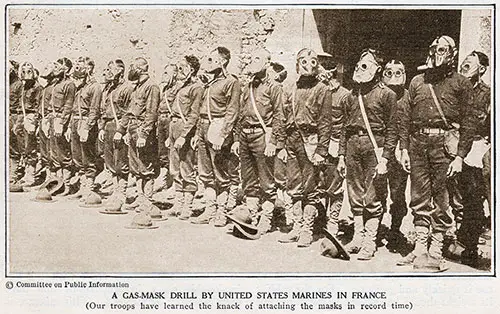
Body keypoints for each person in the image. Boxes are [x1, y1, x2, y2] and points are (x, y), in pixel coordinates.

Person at [398, 36, 479, 271]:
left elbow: (469, 123)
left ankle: (436, 250)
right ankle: (419, 249)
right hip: (418, 143)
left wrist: (461, 156)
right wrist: (404, 149)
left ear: (452, 54)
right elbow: (405, 118)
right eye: (434, 49)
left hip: (445, 146)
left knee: (441, 199)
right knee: (418, 196)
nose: (437, 53)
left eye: (443, 49)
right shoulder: (417, 82)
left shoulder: (461, 83)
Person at [337, 49, 398, 260]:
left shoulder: (387, 95)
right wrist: (341, 155)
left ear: (377, 69)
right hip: (353, 144)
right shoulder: (351, 95)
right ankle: (357, 236)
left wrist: (386, 158)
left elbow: (392, 129)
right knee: (354, 193)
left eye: (366, 65)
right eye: (358, 64)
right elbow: (344, 127)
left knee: (372, 195)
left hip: (375, 147)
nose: (359, 68)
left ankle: (370, 241)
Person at [278, 48, 332, 248]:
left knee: (311, 188)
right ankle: (296, 226)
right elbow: (283, 117)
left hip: (311, 141)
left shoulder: (322, 89)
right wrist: (281, 144)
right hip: (292, 140)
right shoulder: (291, 87)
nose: (307, 65)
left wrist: (321, 150)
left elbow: (326, 123)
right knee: (293, 184)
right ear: (297, 64)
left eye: (311, 62)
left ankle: (307, 230)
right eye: (303, 61)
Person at [233, 48, 285, 235]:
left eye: (257, 58)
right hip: (245, 135)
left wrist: (273, 142)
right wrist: (237, 139)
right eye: (251, 58)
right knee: (247, 179)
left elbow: (279, 116)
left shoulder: (274, 87)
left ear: (267, 63)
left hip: (263, 136)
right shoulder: (248, 86)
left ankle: (266, 217)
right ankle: (252, 215)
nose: (252, 61)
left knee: (266, 180)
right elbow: (241, 114)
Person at [191, 47, 241, 227]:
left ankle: (222, 211)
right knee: (205, 173)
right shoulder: (209, 83)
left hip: (218, 129)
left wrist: (223, 135)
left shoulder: (231, 82)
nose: (207, 63)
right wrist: (197, 134)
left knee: (221, 173)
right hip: (204, 128)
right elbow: (201, 111)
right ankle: (209, 209)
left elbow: (232, 111)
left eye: (211, 60)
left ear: (222, 62)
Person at [452, 51, 491, 267]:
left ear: (482, 69)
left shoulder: (487, 94)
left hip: (475, 151)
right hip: (453, 147)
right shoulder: (456, 88)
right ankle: (453, 240)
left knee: (473, 200)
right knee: (454, 197)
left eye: (470, 65)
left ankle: (470, 248)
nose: (464, 68)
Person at [116, 57, 161, 213]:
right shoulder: (137, 87)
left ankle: (147, 201)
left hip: (143, 129)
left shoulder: (151, 87)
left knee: (146, 167)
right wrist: (124, 131)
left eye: (134, 66)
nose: (131, 69)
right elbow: (130, 112)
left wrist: (144, 133)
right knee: (135, 167)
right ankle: (140, 198)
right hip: (134, 128)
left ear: (142, 68)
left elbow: (151, 112)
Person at [164, 55, 202, 219]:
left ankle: (188, 205)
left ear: (191, 70)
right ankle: (178, 203)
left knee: (187, 169)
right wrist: (170, 136)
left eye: (183, 67)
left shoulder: (197, 87)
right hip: (174, 127)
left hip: (185, 129)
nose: (179, 70)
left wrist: (184, 135)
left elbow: (194, 115)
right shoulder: (180, 87)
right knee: (175, 168)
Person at [381, 60, 411, 253]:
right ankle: (373, 229)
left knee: (398, 193)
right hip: (381, 149)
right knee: (377, 191)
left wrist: (404, 148)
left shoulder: (409, 97)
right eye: (389, 72)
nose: (394, 76)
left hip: (400, 150)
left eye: (398, 72)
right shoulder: (378, 93)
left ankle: (395, 229)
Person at [317, 63, 349, 236]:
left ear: (330, 73)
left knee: (334, 186)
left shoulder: (344, 95)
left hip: (334, 145)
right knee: (316, 185)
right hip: (315, 145)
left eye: (320, 69)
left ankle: (333, 222)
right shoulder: (317, 91)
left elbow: (346, 125)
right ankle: (319, 218)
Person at [99, 59, 133, 210]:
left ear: (120, 70)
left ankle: (121, 193)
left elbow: (128, 112)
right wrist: (101, 128)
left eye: (111, 69)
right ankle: (114, 190)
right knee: (110, 161)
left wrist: (121, 131)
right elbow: (103, 110)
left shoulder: (127, 88)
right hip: (108, 126)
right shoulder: (109, 89)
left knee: (121, 161)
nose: (108, 71)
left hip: (119, 126)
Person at [68, 57, 102, 203]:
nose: (79, 70)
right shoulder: (79, 86)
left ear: (90, 69)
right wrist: (70, 126)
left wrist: (87, 127)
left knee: (87, 156)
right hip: (75, 121)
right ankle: (82, 186)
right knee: (77, 156)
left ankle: (89, 187)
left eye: (83, 67)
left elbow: (94, 109)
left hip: (86, 122)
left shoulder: (95, 87)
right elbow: (72, 107)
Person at [49, 57, 76, 196]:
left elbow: (69, 105)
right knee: (54, 153)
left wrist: (61, 123)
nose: (53, 68)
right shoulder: (55, 83)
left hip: (61, 121)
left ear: (65, 69)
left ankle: (67, 185)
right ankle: (57, 183)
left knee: (64, 153)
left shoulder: (69, 84)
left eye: (56, 65)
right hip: (53, 119)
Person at [16, 62, 43, 188]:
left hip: (31, 116)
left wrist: (35, 121)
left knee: (30, 146)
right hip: (22, 116)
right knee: (22, 145)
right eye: (24, 71)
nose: (26, 74)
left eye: (29, 71)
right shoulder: (22, 87)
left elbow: (39, 106)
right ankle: (26, 172)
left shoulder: (37, 87)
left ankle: (31, 175)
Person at [154, 63, 178, 197]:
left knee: (173, 152)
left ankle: (175, 183)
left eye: (167, 73)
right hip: (161, 120)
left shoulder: (177, 89)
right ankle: (164, 177)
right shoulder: (164, 89)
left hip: (170, 120)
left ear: (174, 74)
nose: (164, 76)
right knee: (162, 151)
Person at [9, 60, 24, 188]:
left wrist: (18, 122)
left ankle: (13, 175)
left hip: (15, 115)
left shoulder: (19, 85)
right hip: (7, 115)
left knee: (14, 147)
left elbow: (22, 105)